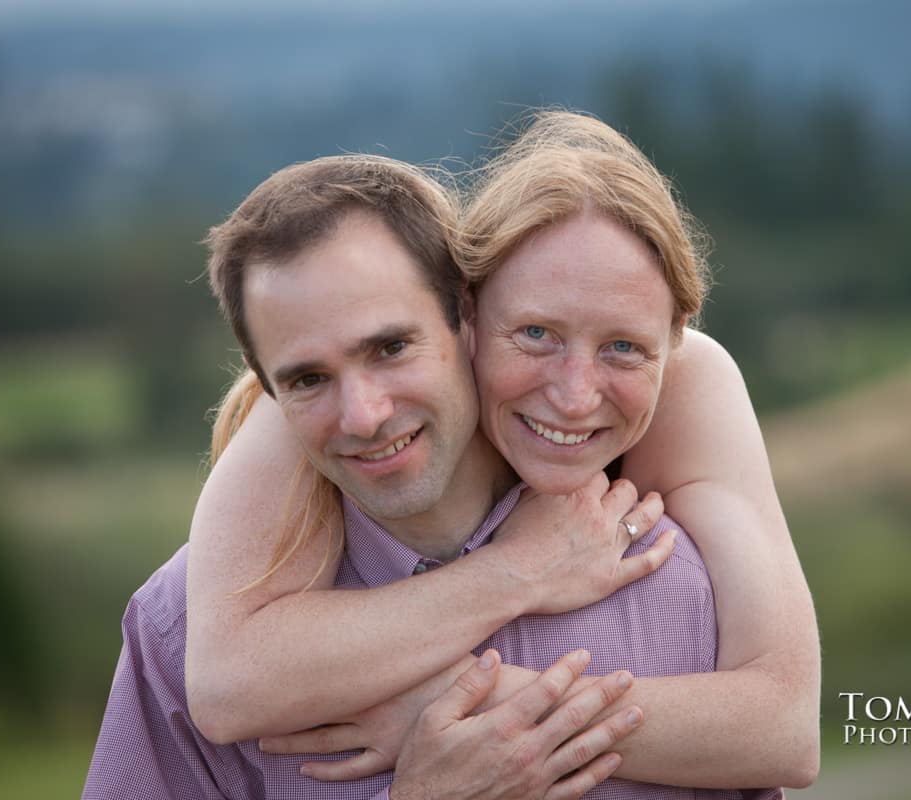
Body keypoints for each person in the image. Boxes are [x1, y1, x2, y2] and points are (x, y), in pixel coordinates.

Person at [185, 112, 818, 790]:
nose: (575, 396)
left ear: (673, 337)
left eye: (624, 347)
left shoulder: (692, 381)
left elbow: (784, 727)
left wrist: (466, 700)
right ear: (469, 316)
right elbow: (228, 684)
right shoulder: (319, 409)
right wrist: (523, 570)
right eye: (537, 333)